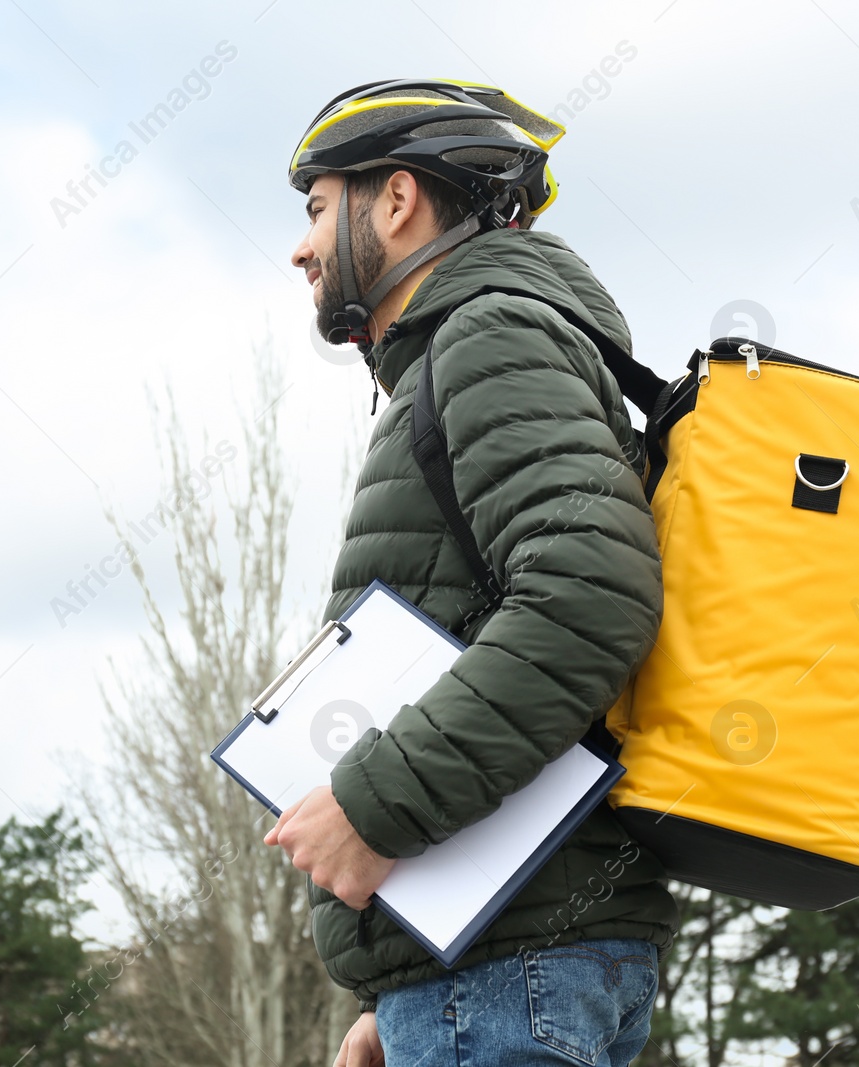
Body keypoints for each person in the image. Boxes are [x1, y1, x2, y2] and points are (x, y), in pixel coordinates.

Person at [269, 78, 677, 1067]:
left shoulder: (487, 336)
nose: (302, 245)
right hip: (494, 967)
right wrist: (404, 981)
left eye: (318, 207)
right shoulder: (483, 344)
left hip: (508, 975)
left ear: (397, 200)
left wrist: (373, 806)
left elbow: (589, 596)